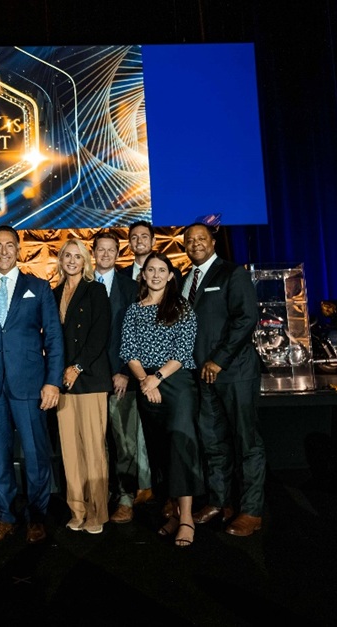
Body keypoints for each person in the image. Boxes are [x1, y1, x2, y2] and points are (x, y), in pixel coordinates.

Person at [0, 225, 64, 545]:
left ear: (18, 249)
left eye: (9, 246)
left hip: (30, 384)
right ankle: (5, 516)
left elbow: (54, 338)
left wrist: (52, 382)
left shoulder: (39, 286)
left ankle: (37, 515)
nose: (3, 251)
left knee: (36, 454)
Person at [182, 223, 267, 537]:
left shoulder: (233, 273)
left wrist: (218, 360)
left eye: (201, 238)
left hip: (235, 374)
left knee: (247, 443)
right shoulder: (185, 279)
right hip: (201, 377)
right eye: (189, 241)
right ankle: (220, 502)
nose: (195, 244)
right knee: (213, 442)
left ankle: (252, 510)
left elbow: (246, 319)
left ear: (212, 241)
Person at [119, 252, 202, 547]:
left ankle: (187, 518)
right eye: (149, 269)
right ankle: (172, 513)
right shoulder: (133, 311)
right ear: (143, 275)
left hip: (176, 383)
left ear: (170, 276)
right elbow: (129, 351)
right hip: (146, 384)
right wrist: (144, 380)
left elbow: (182, 351)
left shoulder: (181, 308)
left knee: (180, 448)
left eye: (161, 270)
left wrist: (158, 378)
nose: (155, 274)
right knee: (159, 453)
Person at [51, 239, 112, 534]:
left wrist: (77, 367)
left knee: (93, 448)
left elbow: (100, 333)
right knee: (70, 450)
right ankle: (76, 509)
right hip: (62, 383)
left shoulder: (95, 290)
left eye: (78, 256)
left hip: (89, 378)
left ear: (86, 261)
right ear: (61, 259)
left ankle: (97, 512)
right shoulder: (53, 294)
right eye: (68, 255)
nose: (72, 260)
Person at [92, 230, 147, 524]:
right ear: (94, 253)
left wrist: (125, 371)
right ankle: (100, 496)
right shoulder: (82, 284)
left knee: (124, 441)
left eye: (111, 250)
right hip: (89, 381)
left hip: (120, 378)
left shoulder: (129, 287)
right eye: (100, 249)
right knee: (95, 442)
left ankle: (125, 498)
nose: (105, 254)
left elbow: (136, 333)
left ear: (118, 253)